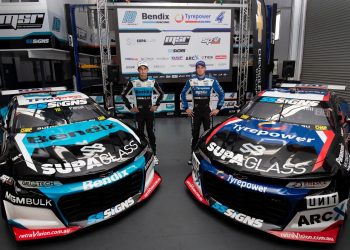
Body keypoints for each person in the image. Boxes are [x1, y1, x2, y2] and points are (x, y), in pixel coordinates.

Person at [181, 61, 225, 165]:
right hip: (195, 113)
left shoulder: (212, 80)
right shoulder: (191, 81)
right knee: (195, 135)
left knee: (209, 135)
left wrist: (218, 108)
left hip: (207, 113)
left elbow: (221, 94)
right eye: (198, 68)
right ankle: (192, 156)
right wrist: (186, 108)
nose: (200, 69)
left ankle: (208, 157)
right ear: (196, 69)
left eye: (202, 67)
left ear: (205, 69)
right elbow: (183, 94)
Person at [121, 61, 164, 164]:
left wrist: (156, 105)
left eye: (144, 69)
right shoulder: (133, 81)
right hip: (138, 113)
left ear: (147, 70)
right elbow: (123, 94)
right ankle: (140, 157)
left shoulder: (153, 81)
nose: (143, 71)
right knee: (138, 135)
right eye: (140, 69)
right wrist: (130, 107)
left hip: (149, 112)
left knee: (151, 134)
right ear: (138, 70)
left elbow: (161, 94)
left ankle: (154, 156)